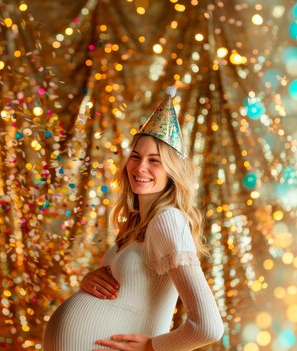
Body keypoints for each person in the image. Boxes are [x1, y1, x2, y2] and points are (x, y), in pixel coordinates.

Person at [43, 87, 223, 351]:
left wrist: (153, 347)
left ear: (172, 171)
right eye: (136, 157)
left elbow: (209, 326)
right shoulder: (137, 223)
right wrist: (88, 282)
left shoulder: (167, 219)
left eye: (155, 161)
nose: (140, 168)